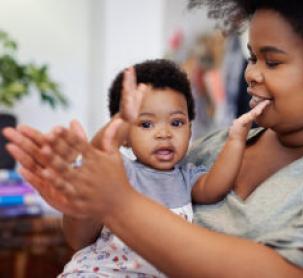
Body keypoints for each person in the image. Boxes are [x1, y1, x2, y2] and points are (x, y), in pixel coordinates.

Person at [3, 0, 303, 276]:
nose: (250, 74)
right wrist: (88, 189)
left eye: (273, 61)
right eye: (252, 57)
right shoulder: (213, 146)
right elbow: (81, 238)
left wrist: (120, 204)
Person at [3, 58, 267, 277]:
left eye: (176, 123)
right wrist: (120, 121)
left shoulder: (186, 177)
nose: (164, 133)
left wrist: (235, 139)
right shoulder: (122, 170)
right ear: (125, 135)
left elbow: (215, 187)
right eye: (146, 124)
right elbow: (100, 152)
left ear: (190, 127)